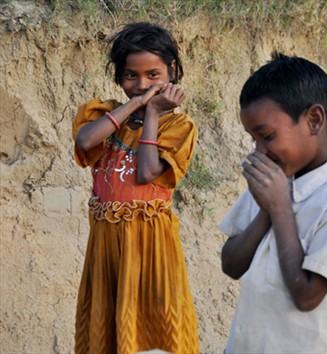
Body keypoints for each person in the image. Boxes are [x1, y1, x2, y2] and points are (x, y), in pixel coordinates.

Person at [219, 52, 327, 353]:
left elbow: (306, 296)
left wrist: (280, 207)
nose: (260, 151)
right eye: (254, 140)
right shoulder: (273, 183)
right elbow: (231, 265)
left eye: (267, 136)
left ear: (314, 120)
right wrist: (266, 210)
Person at [72, 22, 199, 354]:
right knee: (105, 330)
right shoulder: (100, 115)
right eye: (131, 76)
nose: (142, 84)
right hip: (106, 244)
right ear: (118, 77)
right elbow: (85, 141)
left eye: (153, 75)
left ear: (172, 71)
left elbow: (146, 173)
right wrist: (134, 104)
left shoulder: (178, 126)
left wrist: (153, 113)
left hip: (150, 244)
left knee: (155, 331)